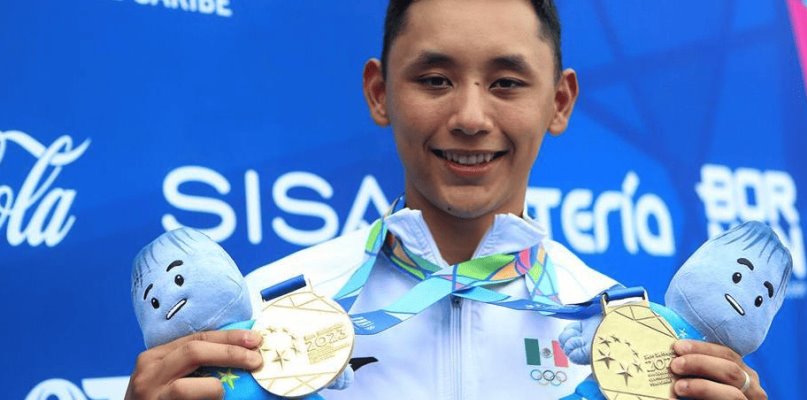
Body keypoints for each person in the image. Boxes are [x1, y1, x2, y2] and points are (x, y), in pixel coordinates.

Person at [125, 0, 768, 399]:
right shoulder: (260, 318)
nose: (469, 116)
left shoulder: (634, 346)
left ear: (559, 102)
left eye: (507, 83)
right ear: (380, 93)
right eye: (434, 79)